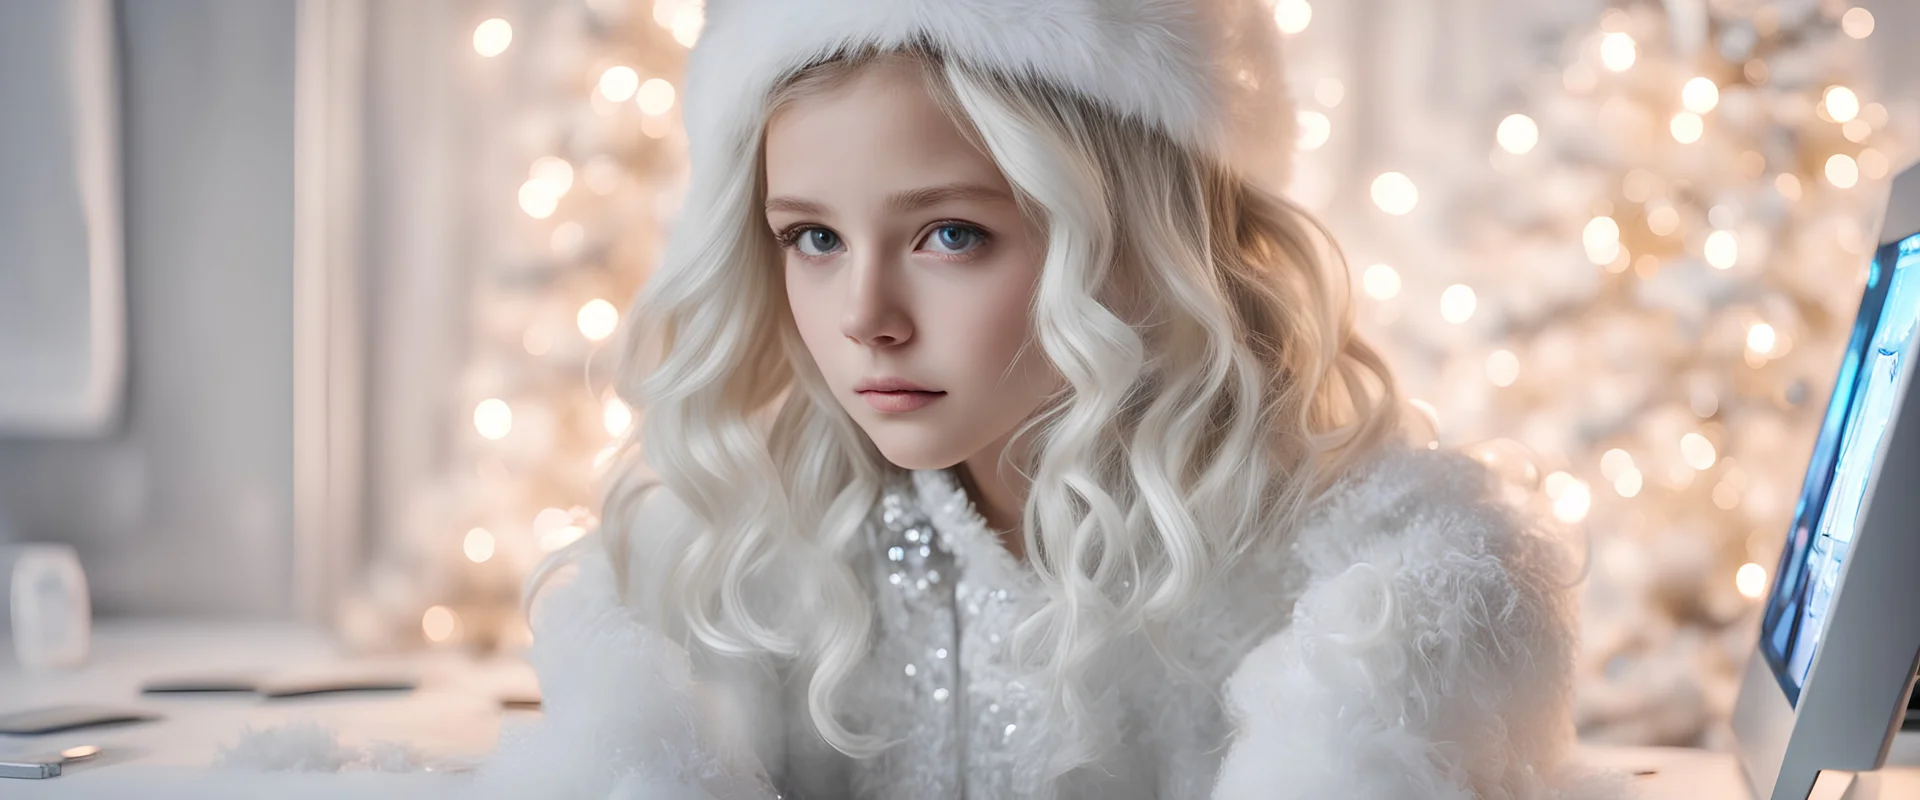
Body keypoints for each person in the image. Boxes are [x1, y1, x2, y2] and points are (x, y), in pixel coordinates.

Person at [498, 1, 1613, 797]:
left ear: (1136, 236)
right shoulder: (740, 543)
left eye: (950, 234)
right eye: (814, 237)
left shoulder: (1374, 571)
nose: (864, 315)